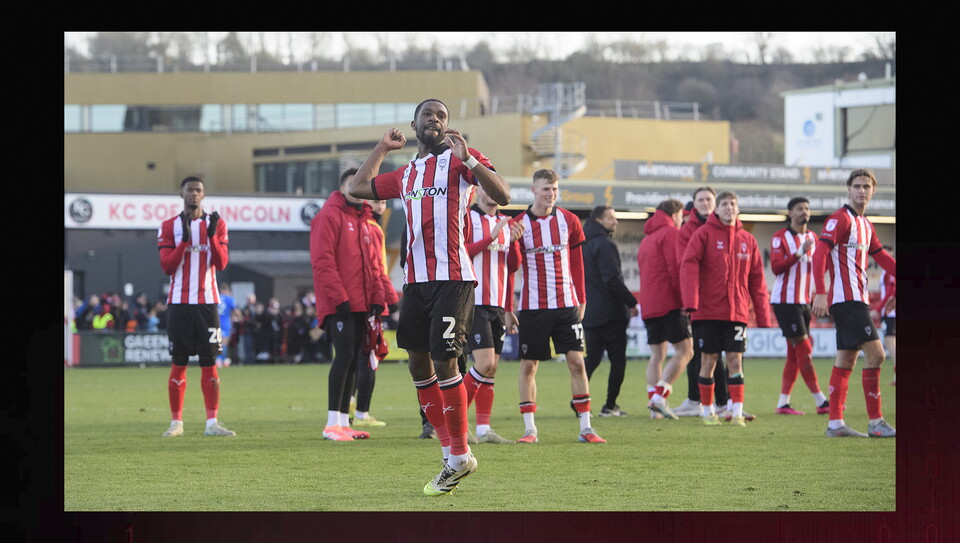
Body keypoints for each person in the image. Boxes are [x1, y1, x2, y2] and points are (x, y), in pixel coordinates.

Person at [347, 98, 511, 495]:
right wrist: (383, 147)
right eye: (428, 115)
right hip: (416, 282)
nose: (434, 120)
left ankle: (459, 452)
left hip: (454, 278)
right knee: (418, 365)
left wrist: (470, 160)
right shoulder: (406, 174)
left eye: (441, 115)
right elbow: (356, 188)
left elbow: (503, 194)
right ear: (415, 124)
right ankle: (452, 456)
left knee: (445, 359)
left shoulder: (459, 160)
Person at [513, 169, 605, 444]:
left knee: (577, 362)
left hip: (566, 304)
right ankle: (530, 430)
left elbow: (577, 263)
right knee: (529, 366)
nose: (551, 194)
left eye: (554, 189)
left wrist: (582, 298)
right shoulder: (519, 224)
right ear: (533, 190)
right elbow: (511, 267)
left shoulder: (569, 220)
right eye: (545, 189)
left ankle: (586, 428)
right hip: (532, 307)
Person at [812, 168, 897, 438]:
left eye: (866, 187)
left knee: (846, 359)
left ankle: (835, 424)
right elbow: (819, 254)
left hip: (855, 298)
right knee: (877, 354)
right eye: (857, 186)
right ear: (848, 189)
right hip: (845, 299)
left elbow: (882, 257)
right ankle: (876, 422)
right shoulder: (839, 219)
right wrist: (820, 292)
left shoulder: (866, 225)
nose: (862, 191)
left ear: (873, 191)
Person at [680, 191, 771, 426]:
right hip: (707, 312)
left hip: (737, 312)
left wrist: (763, 317)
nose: (729, 207)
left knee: (735, 361)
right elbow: (688, 266)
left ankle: (737, 412)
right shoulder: (703, 235)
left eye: (733, 204)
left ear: (738, 209)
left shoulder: (748, 240)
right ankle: (708, 412)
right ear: (716, 209)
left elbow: (757, 281)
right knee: (708, 361)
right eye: (724, 204)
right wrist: (691, 303)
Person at [310, 168, 387, 442]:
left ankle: (343, 422)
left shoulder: (366, 223)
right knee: (343, 358)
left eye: (360, 185)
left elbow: (375, 267)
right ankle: (332, 422)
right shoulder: (328, 217)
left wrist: (379, 300)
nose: (356, 188)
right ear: (342, 188)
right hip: (341, 305)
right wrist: (339, 299)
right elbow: (323, 263)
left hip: (362, 305)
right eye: (351, 184)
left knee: (354, 360)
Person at [156, 176, 234, 437]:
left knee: (209, 362)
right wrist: (185, 241)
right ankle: (176, 422)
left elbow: (221, 264)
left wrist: (211, 237)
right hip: (179, 303)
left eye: (198, 190)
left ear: (204, 194)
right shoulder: (169, 226)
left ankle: (212, 423)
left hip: (208, 303)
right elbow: (167, 266)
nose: (194, 194)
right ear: (181, 194)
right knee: (179, 362)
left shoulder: (217, 224)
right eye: (189, 190)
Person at [672, 186, 743, 420]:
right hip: (702, 305)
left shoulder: (739, 235)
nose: (705, 203)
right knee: (704, 356)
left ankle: (727, 404)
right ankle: (698, 401)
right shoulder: (691, 232)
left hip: (730, 307)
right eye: (700, 199)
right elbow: (685, 264)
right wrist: (689, 299)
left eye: (709, 199)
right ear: (694, 204)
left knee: (729, 358)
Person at [461, 184, 524, 444]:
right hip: (473, 301)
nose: (492, 195)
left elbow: (512, 267)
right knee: (484, 363)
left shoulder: (505, 223)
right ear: (478, 193)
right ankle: (457, 422)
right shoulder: (468, 217)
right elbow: (462, 253)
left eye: (497, 191)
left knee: (492, 369)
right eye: (487, 190)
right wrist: (492, 236)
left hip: (498, 303)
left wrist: (514, 243)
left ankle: (485, 429)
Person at [769, 197, 829, 416]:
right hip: (785, 302)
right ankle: (822, 401)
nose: (804, 212)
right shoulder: (780, 237)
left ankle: (783, 403)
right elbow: (776, 267)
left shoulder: (814, 237)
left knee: (794, 355)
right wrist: (799, 252)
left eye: (807, 208)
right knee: (805, 350)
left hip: (804, 302)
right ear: (790, 213)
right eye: (799, 209)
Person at [636, 199, 694, 420]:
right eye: (681, 216)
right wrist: (684, 301)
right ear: (675, 214)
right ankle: (659, 398)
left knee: (657, 355)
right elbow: (676, 268)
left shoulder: (647, 238)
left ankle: (655, 407)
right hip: (669, 302)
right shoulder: (671, 234)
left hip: (650, 304)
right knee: (686, 351)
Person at [581, 205, 639, 417]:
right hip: (611, 313)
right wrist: (632, 302)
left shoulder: (581, 242)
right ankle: (610, 405)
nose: (616, 222)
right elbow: (612, 279)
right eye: (611, 218)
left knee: (592, 359)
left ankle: (578, 401)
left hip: (590, 312)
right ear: (599, 220)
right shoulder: (604, 244)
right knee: (617, 360)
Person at [350, 197, 400, 428]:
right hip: (369, 301)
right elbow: (378, 269)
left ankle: (348, 407)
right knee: (368, 357)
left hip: (357, 300)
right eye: (377, 201)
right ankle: (360, 412)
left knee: (355, 356)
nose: (382, 206)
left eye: (383, 202)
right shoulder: (371, 228)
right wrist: (390, 300)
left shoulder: (358, 225)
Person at [878, 245, 896, 386]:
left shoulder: (888, 272)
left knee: (890, 343)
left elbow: (890, 293)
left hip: (890, 313)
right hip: (891, 312)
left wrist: (879, 308)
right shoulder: (885, 271)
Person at [216, 283, 236, 367]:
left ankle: (218, 359)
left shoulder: (216, 298)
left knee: (217, 342)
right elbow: (235, 310)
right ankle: (221, 359)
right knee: (224, 343)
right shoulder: (229, 299)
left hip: (216, 322)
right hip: (225, 322)